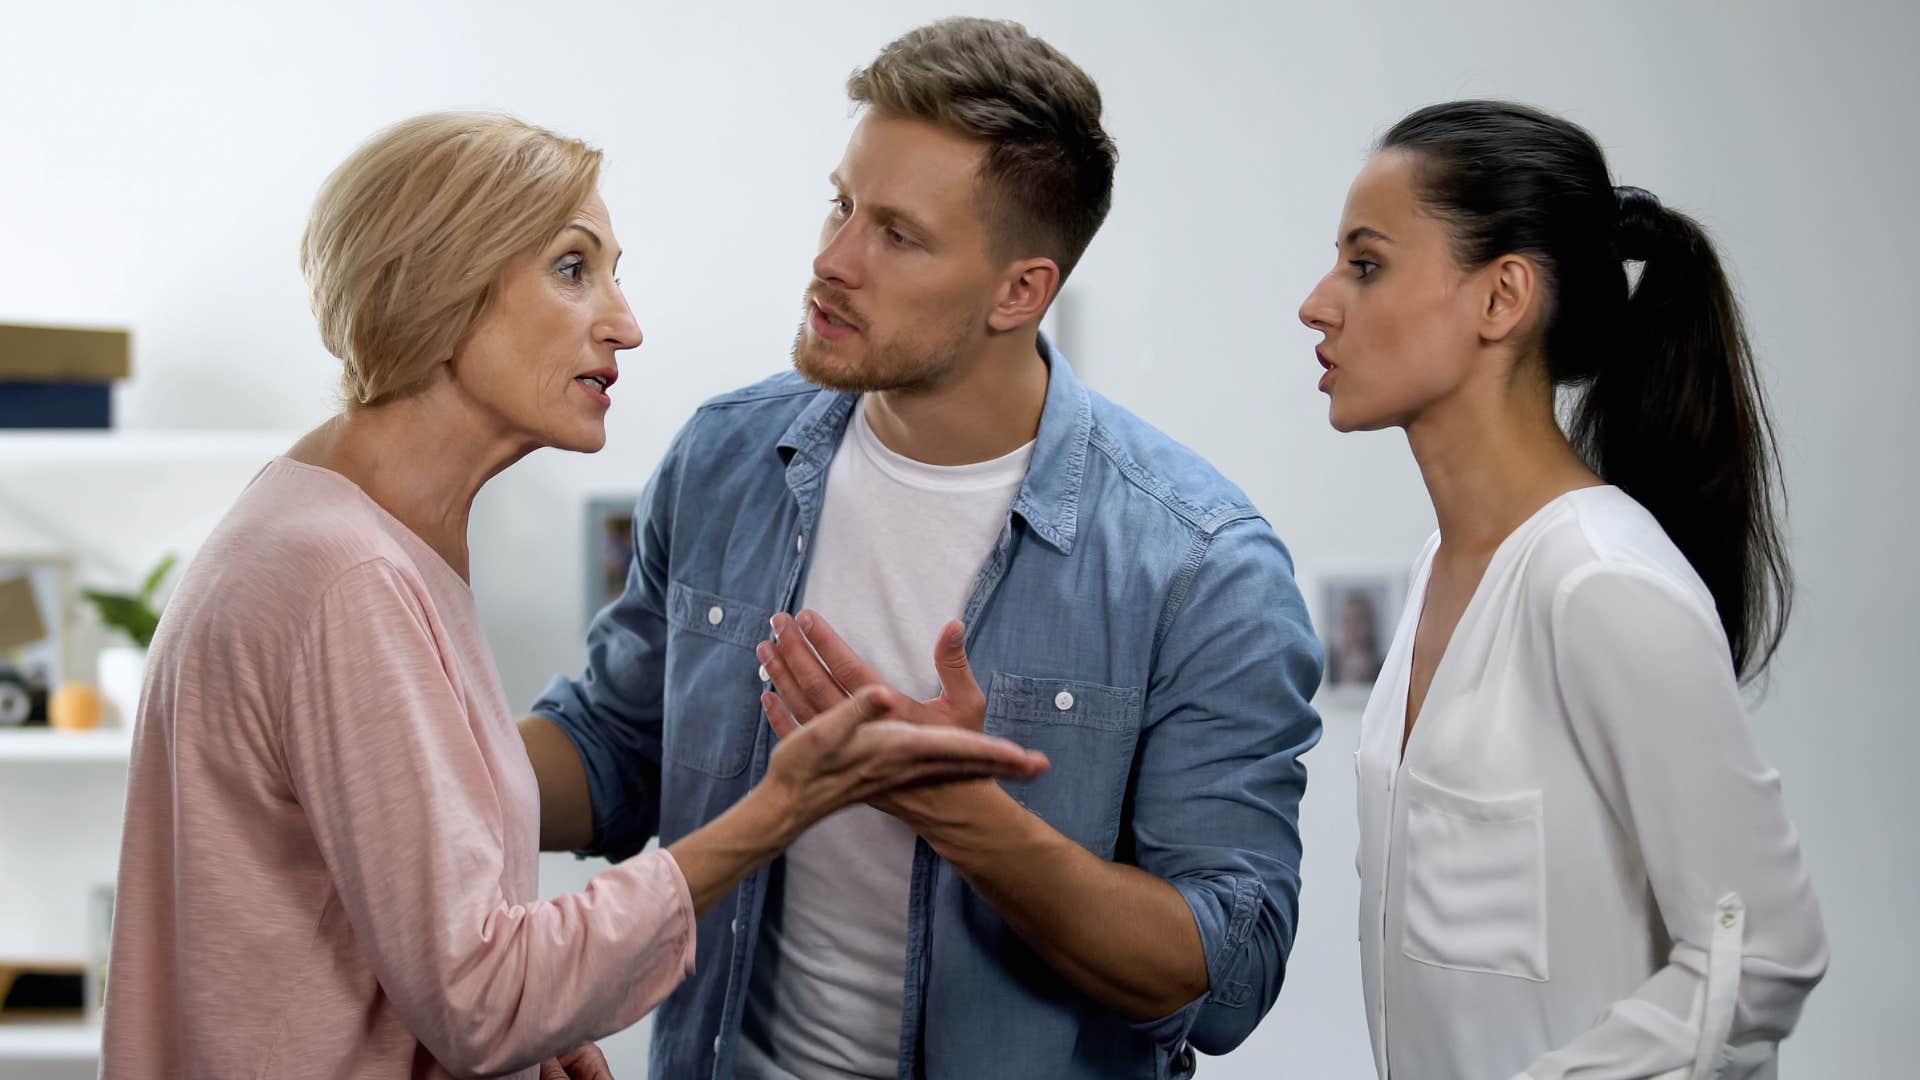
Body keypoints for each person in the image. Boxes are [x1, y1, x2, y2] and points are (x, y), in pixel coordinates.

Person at [101, 111, 1046, 1080]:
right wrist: (784, 803)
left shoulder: (354, 531)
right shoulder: (346, 577)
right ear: (442, 289)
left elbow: (405, 935)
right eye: (571, 268)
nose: (625, 323)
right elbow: (481, 995)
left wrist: (527, 1038)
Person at [521, 17, 1323, 1080]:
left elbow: (1226, 977)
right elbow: (617, 751)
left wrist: (966, 818)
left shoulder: (1202, 567)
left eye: (897, 235)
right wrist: (397, 760)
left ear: (1019, 292)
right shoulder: (725, 458)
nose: (832, 259)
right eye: (842, 203)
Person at [1297, 100, 1827, 1079]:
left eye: (1366, 265)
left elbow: (1765, 953)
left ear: (1503, 300)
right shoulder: (1437, 570)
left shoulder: (1602, 581)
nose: (1319, 303)